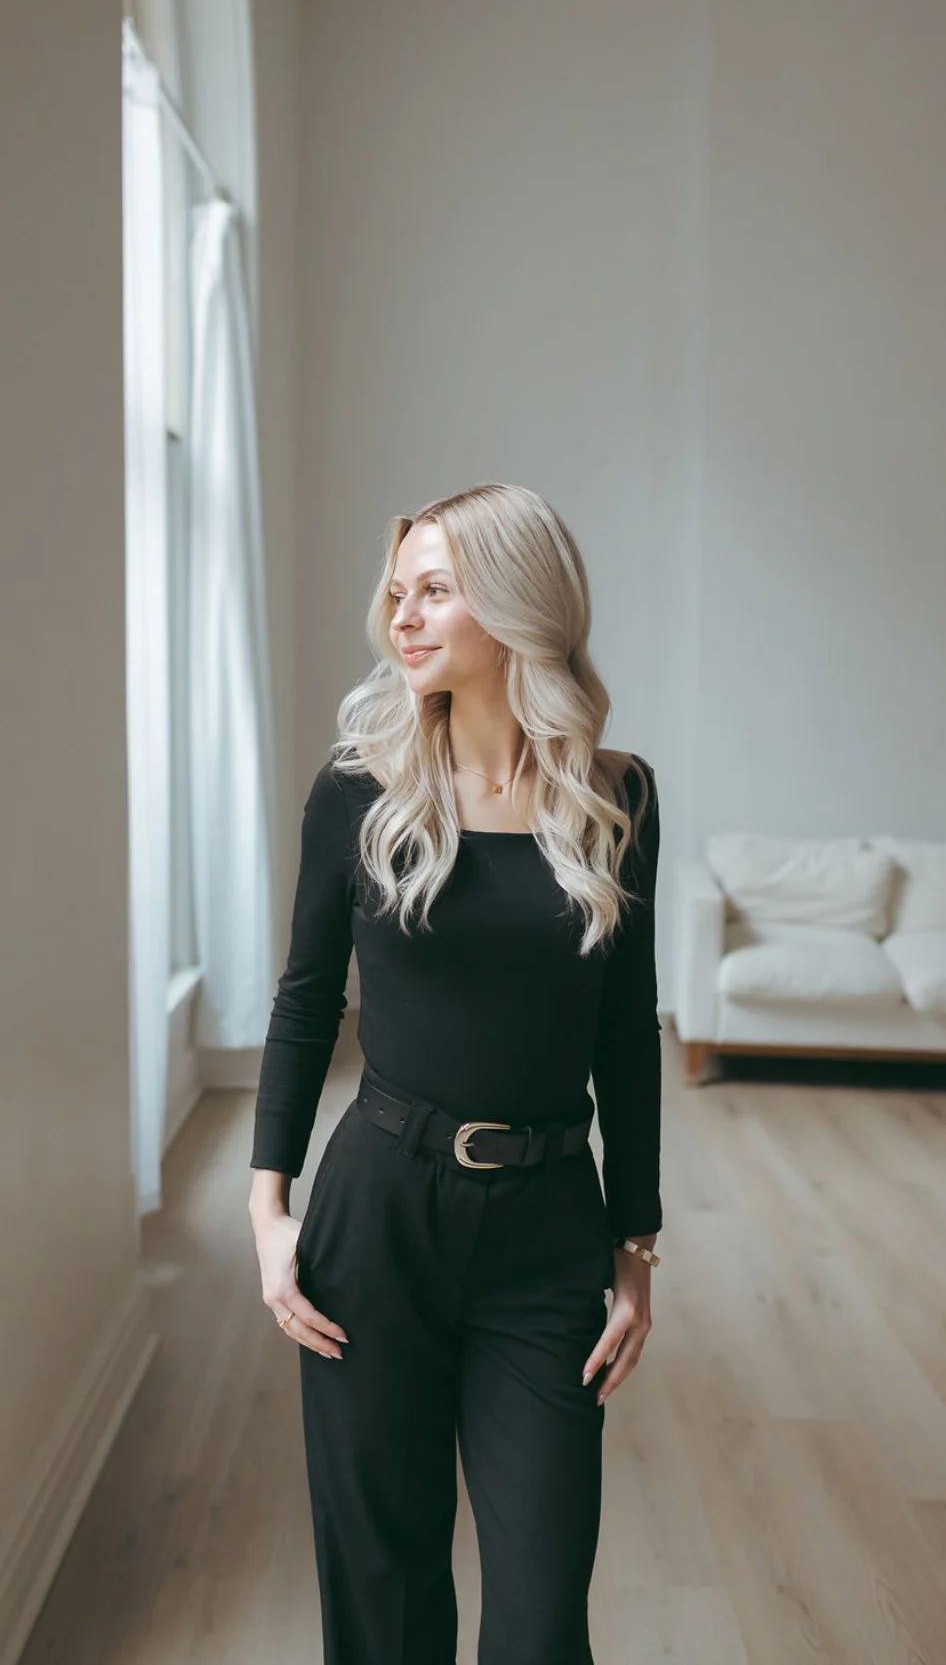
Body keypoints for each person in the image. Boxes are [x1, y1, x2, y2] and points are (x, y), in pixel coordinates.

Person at [248, 482, 662, 1665]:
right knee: (383, 1600)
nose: (403, 615)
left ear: (520, 603)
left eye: (437, 587)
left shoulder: (615, 797)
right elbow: (303, 1001)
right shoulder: (357, 789)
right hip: (376, 1217)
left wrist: (634, 1249)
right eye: (398, 590)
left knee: (538, 1622)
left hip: (543, 1233)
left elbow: (626, 1033)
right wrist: (269, 1211)